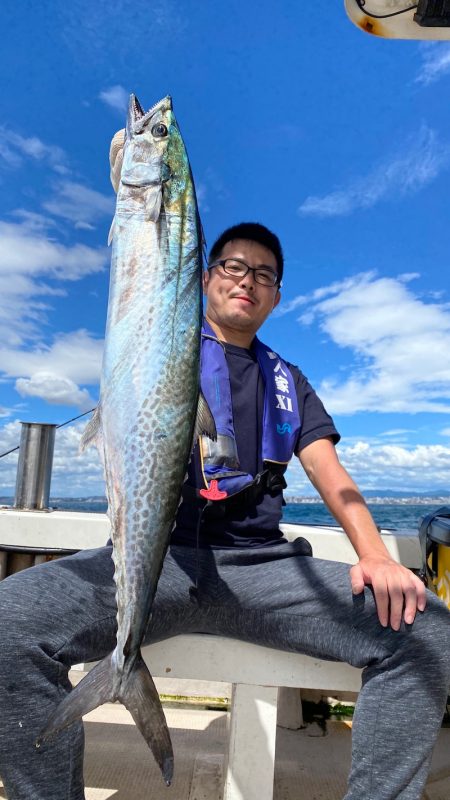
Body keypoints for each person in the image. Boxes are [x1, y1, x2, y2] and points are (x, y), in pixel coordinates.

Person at [0, 221, 449, 800]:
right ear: (205, 277)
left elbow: (329, 473)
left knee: (426, 630)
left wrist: (376, 556)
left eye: (264, 275)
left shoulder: (289, 381)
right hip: (156, 562)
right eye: (233, 267)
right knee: (10, 621)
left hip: (261, 569)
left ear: (277, 297)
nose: (247, 281)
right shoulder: (156, 346)